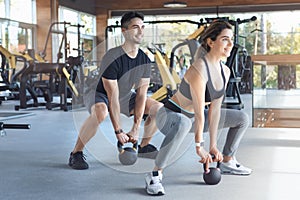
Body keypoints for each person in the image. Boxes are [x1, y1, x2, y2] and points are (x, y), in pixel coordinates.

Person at [144, 21, 252, 196]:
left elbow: (215, 110)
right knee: (184, 123)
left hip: (194, 118)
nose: (231, 44)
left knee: (241, 118)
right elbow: (200, 109)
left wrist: (213, 146)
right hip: (171, 116)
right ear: (211, 42)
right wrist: (199, 145)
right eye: (225, 39)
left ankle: (227, 160)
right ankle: (155, 174)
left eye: (231, 39)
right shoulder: (199, 68)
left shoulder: (225, 71)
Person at [68, 11, 163, 170]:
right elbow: (112, 96)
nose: (140, 31)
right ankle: (76, 153)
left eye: (142, 27)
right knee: (101, 112)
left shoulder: (144, 60)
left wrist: (134, 129)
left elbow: (141, 95)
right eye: (135, 27)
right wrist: (118, 131)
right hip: (100, 94)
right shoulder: (112, 57)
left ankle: (143, 146)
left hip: (125, 96)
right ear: (124, 31)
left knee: (159, 109)